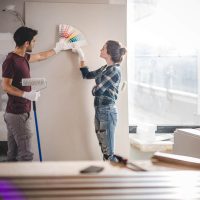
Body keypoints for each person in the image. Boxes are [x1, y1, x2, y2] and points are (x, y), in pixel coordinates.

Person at [1, 26, 70, 161]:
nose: (35, 43)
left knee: (13, 155)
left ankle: (11, 181)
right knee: (26, 155)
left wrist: (57, 48)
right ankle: (27, 182)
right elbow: (6, 86)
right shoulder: (11, 60)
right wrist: (26, 95)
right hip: (18, 114)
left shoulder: (23, 57)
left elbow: (40, 56)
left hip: (15, 112)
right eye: (34, 41)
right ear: (26, 43)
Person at [73, 40, 127, 161]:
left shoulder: (114, 70)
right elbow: (87, 75)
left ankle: (114, 177)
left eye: (103, 48)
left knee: (109, 153)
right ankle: (108, 177)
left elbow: (97, 91)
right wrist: (81, 56)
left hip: (107, 112)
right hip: (100, 110)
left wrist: (95, 89)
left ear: (109, 53)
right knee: (104, 150)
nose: (100, 50)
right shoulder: (105, 68)